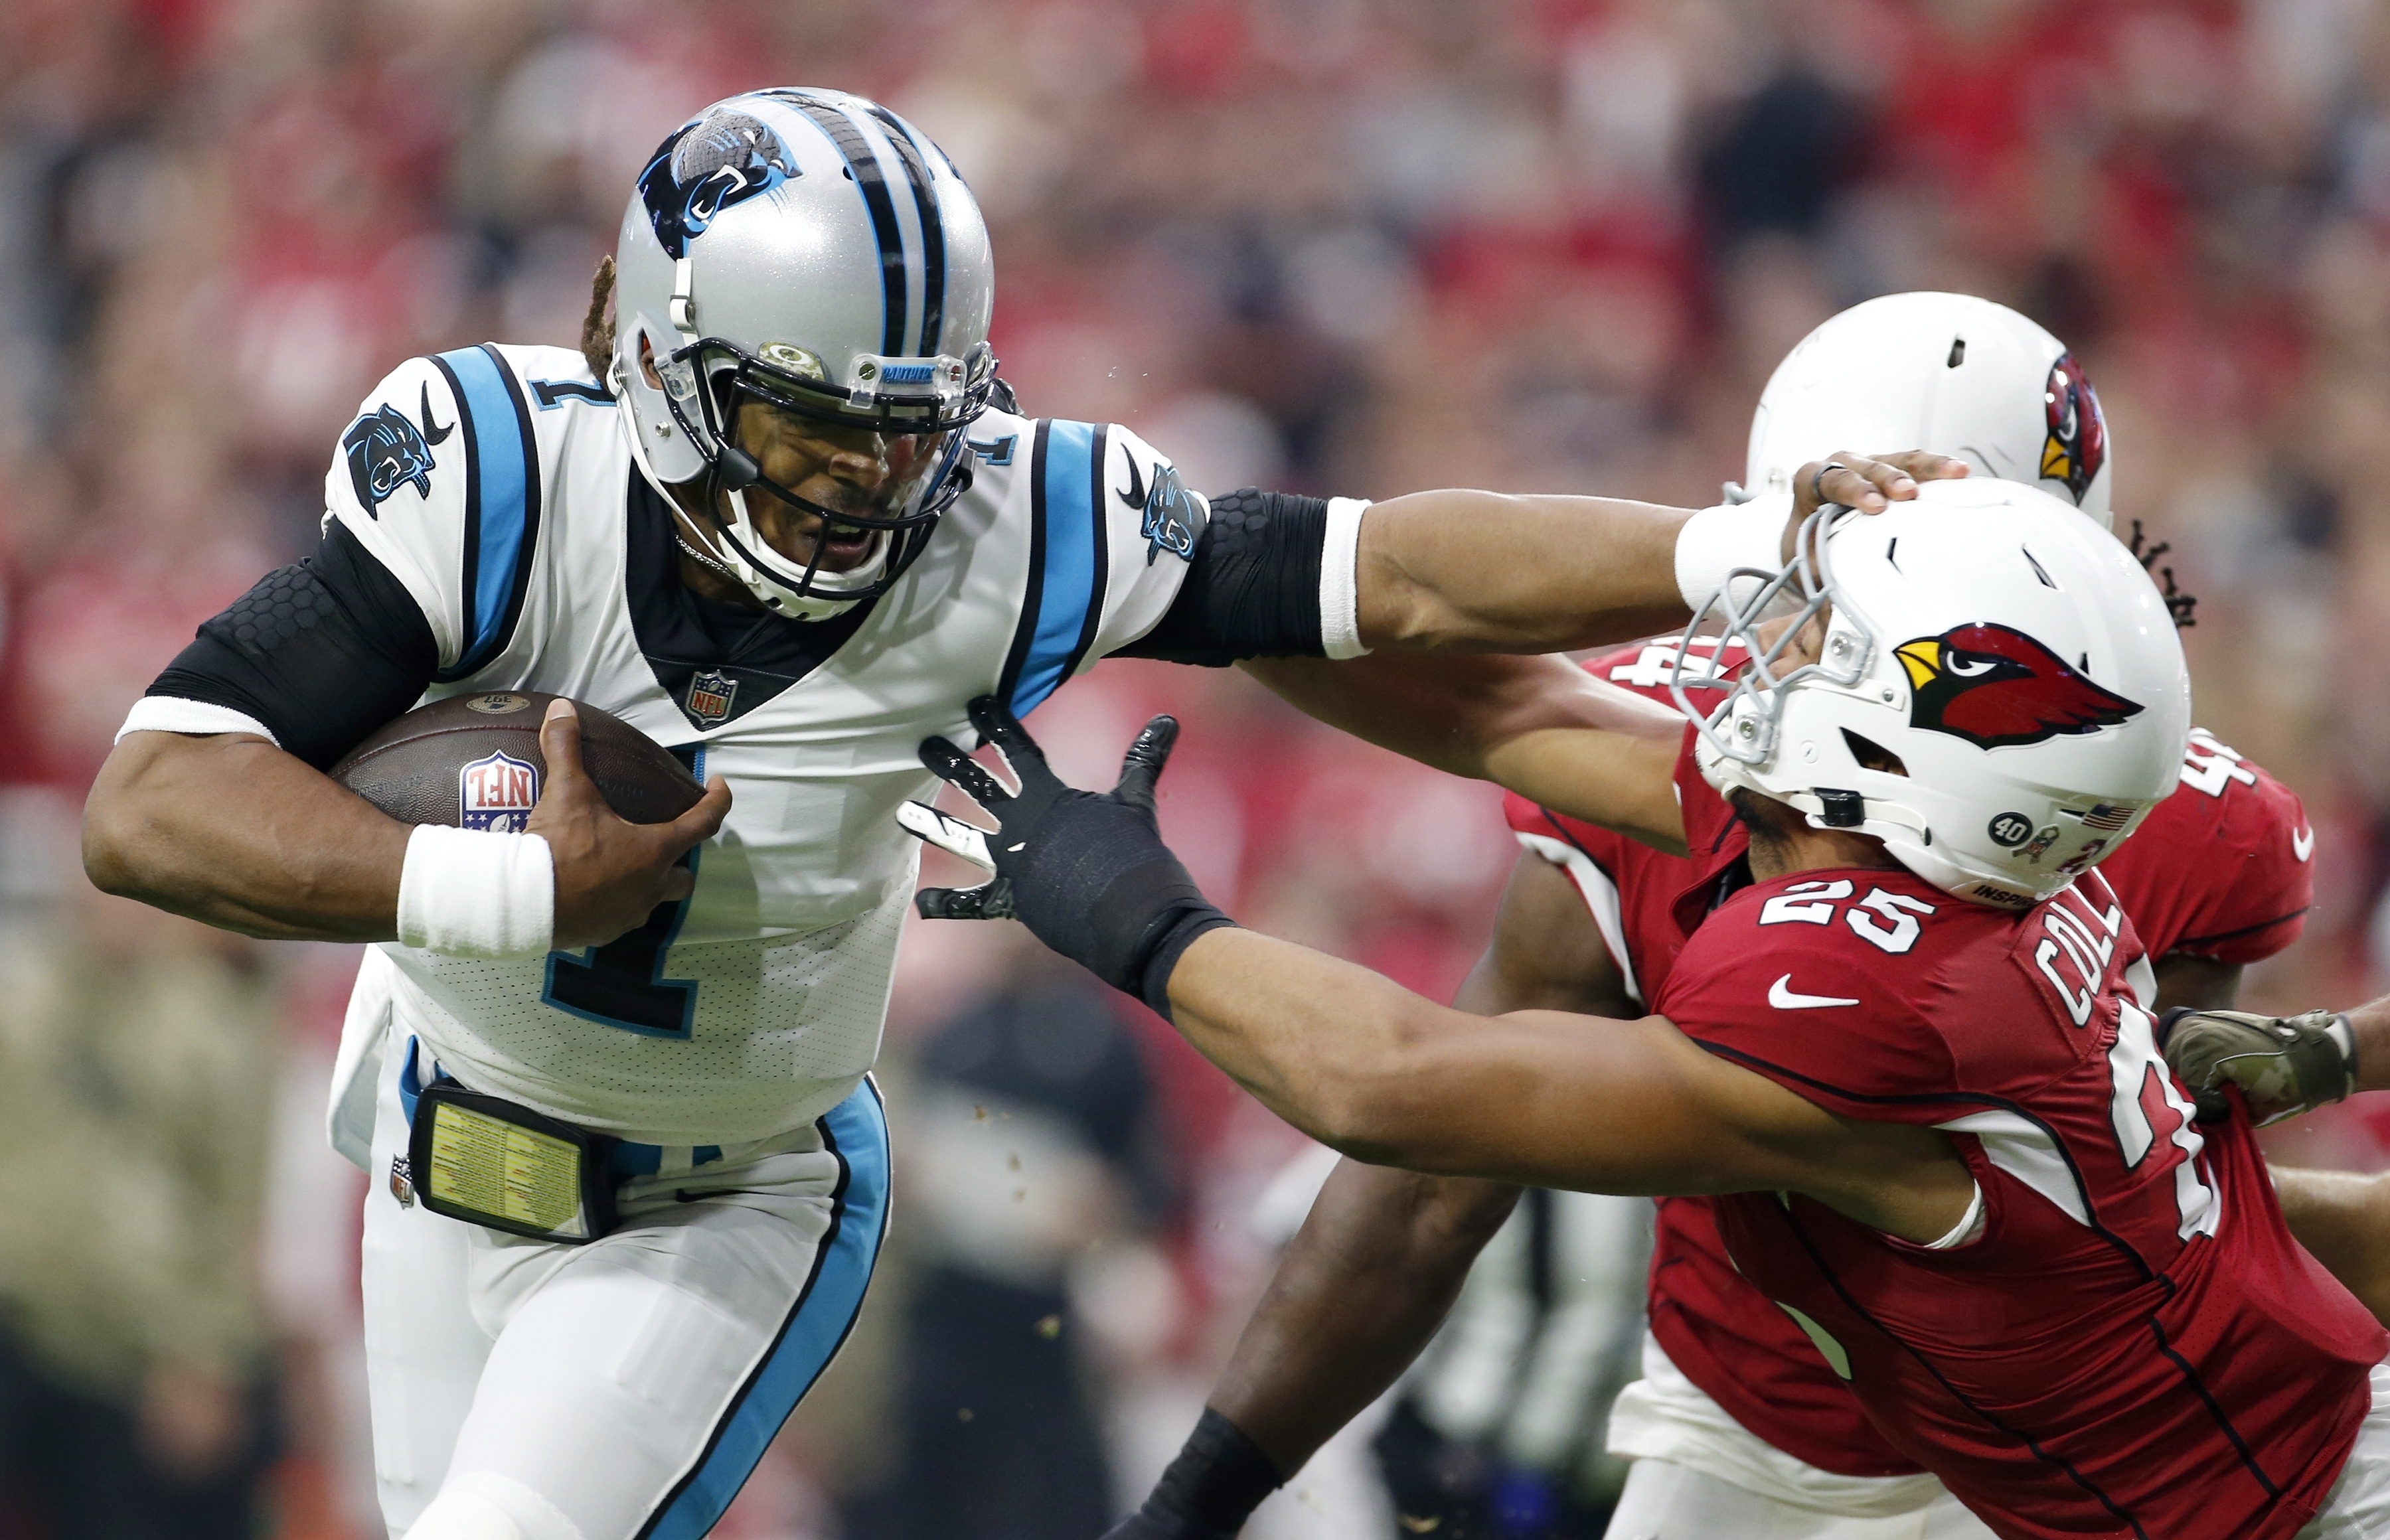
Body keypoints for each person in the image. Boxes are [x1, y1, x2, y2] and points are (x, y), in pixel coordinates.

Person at [77, 88, 1927, 1540]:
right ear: (656, 358)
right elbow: (151, 803)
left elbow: (1390, 577)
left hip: (720, 1201)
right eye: (813, 432)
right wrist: (494, 886)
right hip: (432, 1147)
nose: (869, 493)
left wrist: (1738, 547)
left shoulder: (1007, 522)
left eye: (908, 432)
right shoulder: (490, 482)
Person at [905, 479, 2390, 1540]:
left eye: (1831, 635)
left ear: (1924, 726)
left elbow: (1404, 1088)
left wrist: (1128, 908)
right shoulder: (1907, 837)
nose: (1772, 644)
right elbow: (1505, 713)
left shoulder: (1884, 988)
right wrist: (1170, 570)